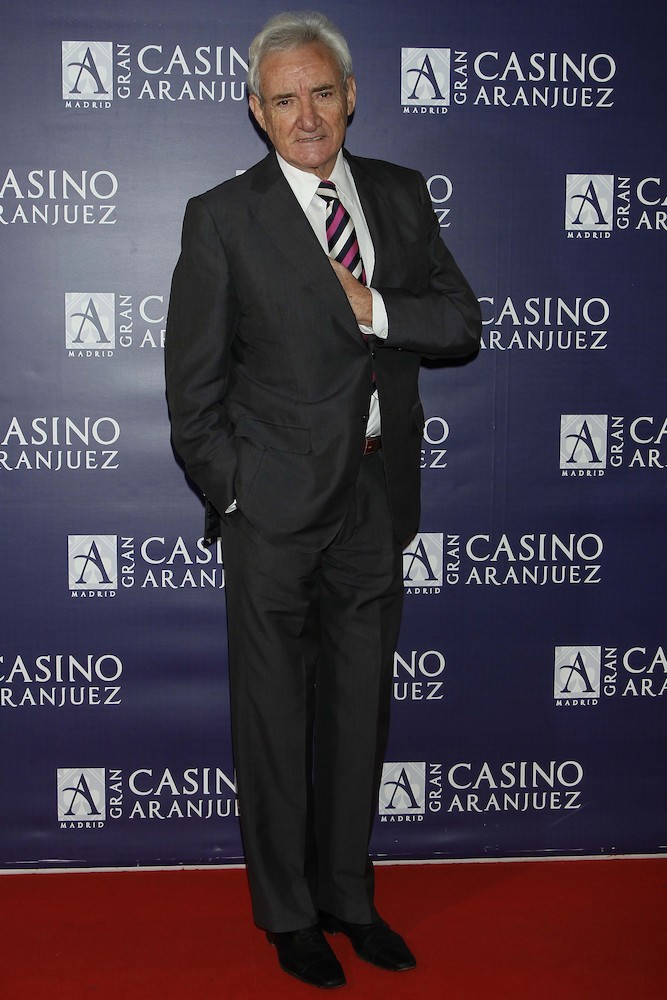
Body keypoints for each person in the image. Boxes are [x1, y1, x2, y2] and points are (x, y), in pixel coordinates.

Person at [165, 10, 481, 990]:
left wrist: (373, 308)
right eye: (284, 99)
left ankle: (349, 895)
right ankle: (289, 915)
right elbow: (193, 391)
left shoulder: (398, 194)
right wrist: (237, 493)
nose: (306, 115)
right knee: (273, 718)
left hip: (376, 501)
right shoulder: (222, 217)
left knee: (358, 713)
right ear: (255, 112)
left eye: (321, 93)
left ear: (350, 97)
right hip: (273, 515)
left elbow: (459, 322)